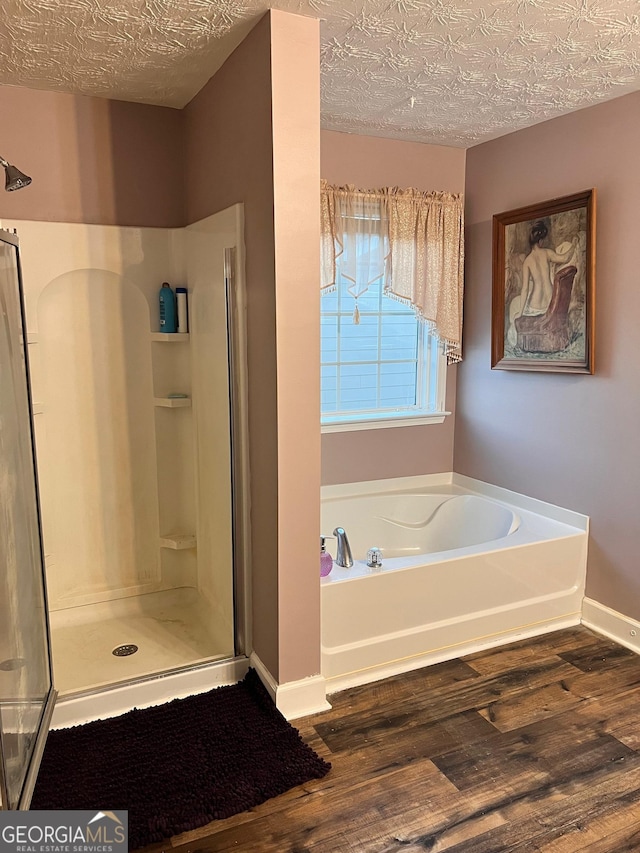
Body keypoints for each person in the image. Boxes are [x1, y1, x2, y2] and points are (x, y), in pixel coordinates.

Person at [507, 221, 578, 347]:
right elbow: (565, 258)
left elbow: (524, 289)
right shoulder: (547, 253)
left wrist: (520, 313)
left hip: (536, 305)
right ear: (540, 241)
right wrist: (573, 244)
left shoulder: (527, 261)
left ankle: (519, 340)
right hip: (550, 303)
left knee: (514, 306)